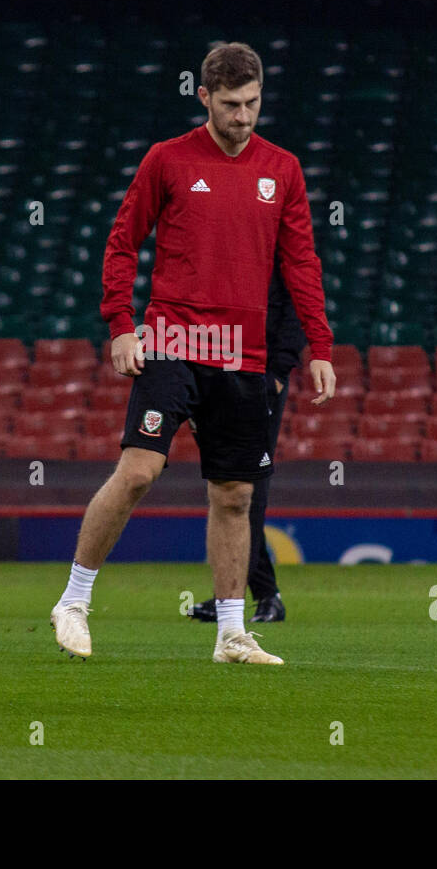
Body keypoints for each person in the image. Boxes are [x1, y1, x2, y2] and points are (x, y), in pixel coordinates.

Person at [49, 42, 336, 665]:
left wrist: (320, 343)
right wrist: (121, 326)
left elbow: (301, 260)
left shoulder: (282, 168)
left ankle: (232, 633)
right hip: (173, 342)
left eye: (253, 103)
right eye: (231, 105)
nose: (243, 116)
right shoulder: (168, 160)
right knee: (139, 472)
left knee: (234, 496)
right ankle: (73, 600)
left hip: (244, 354)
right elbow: (122, 243)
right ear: (204, 97)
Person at [187, 255, 304, 624]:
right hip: (217, 367)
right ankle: (257, 596)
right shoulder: (220, 245)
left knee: (248, 488)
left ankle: (241, 598)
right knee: (231, 485)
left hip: (260, 375)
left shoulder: (278, 249)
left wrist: (279, 370)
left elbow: (298, 301)